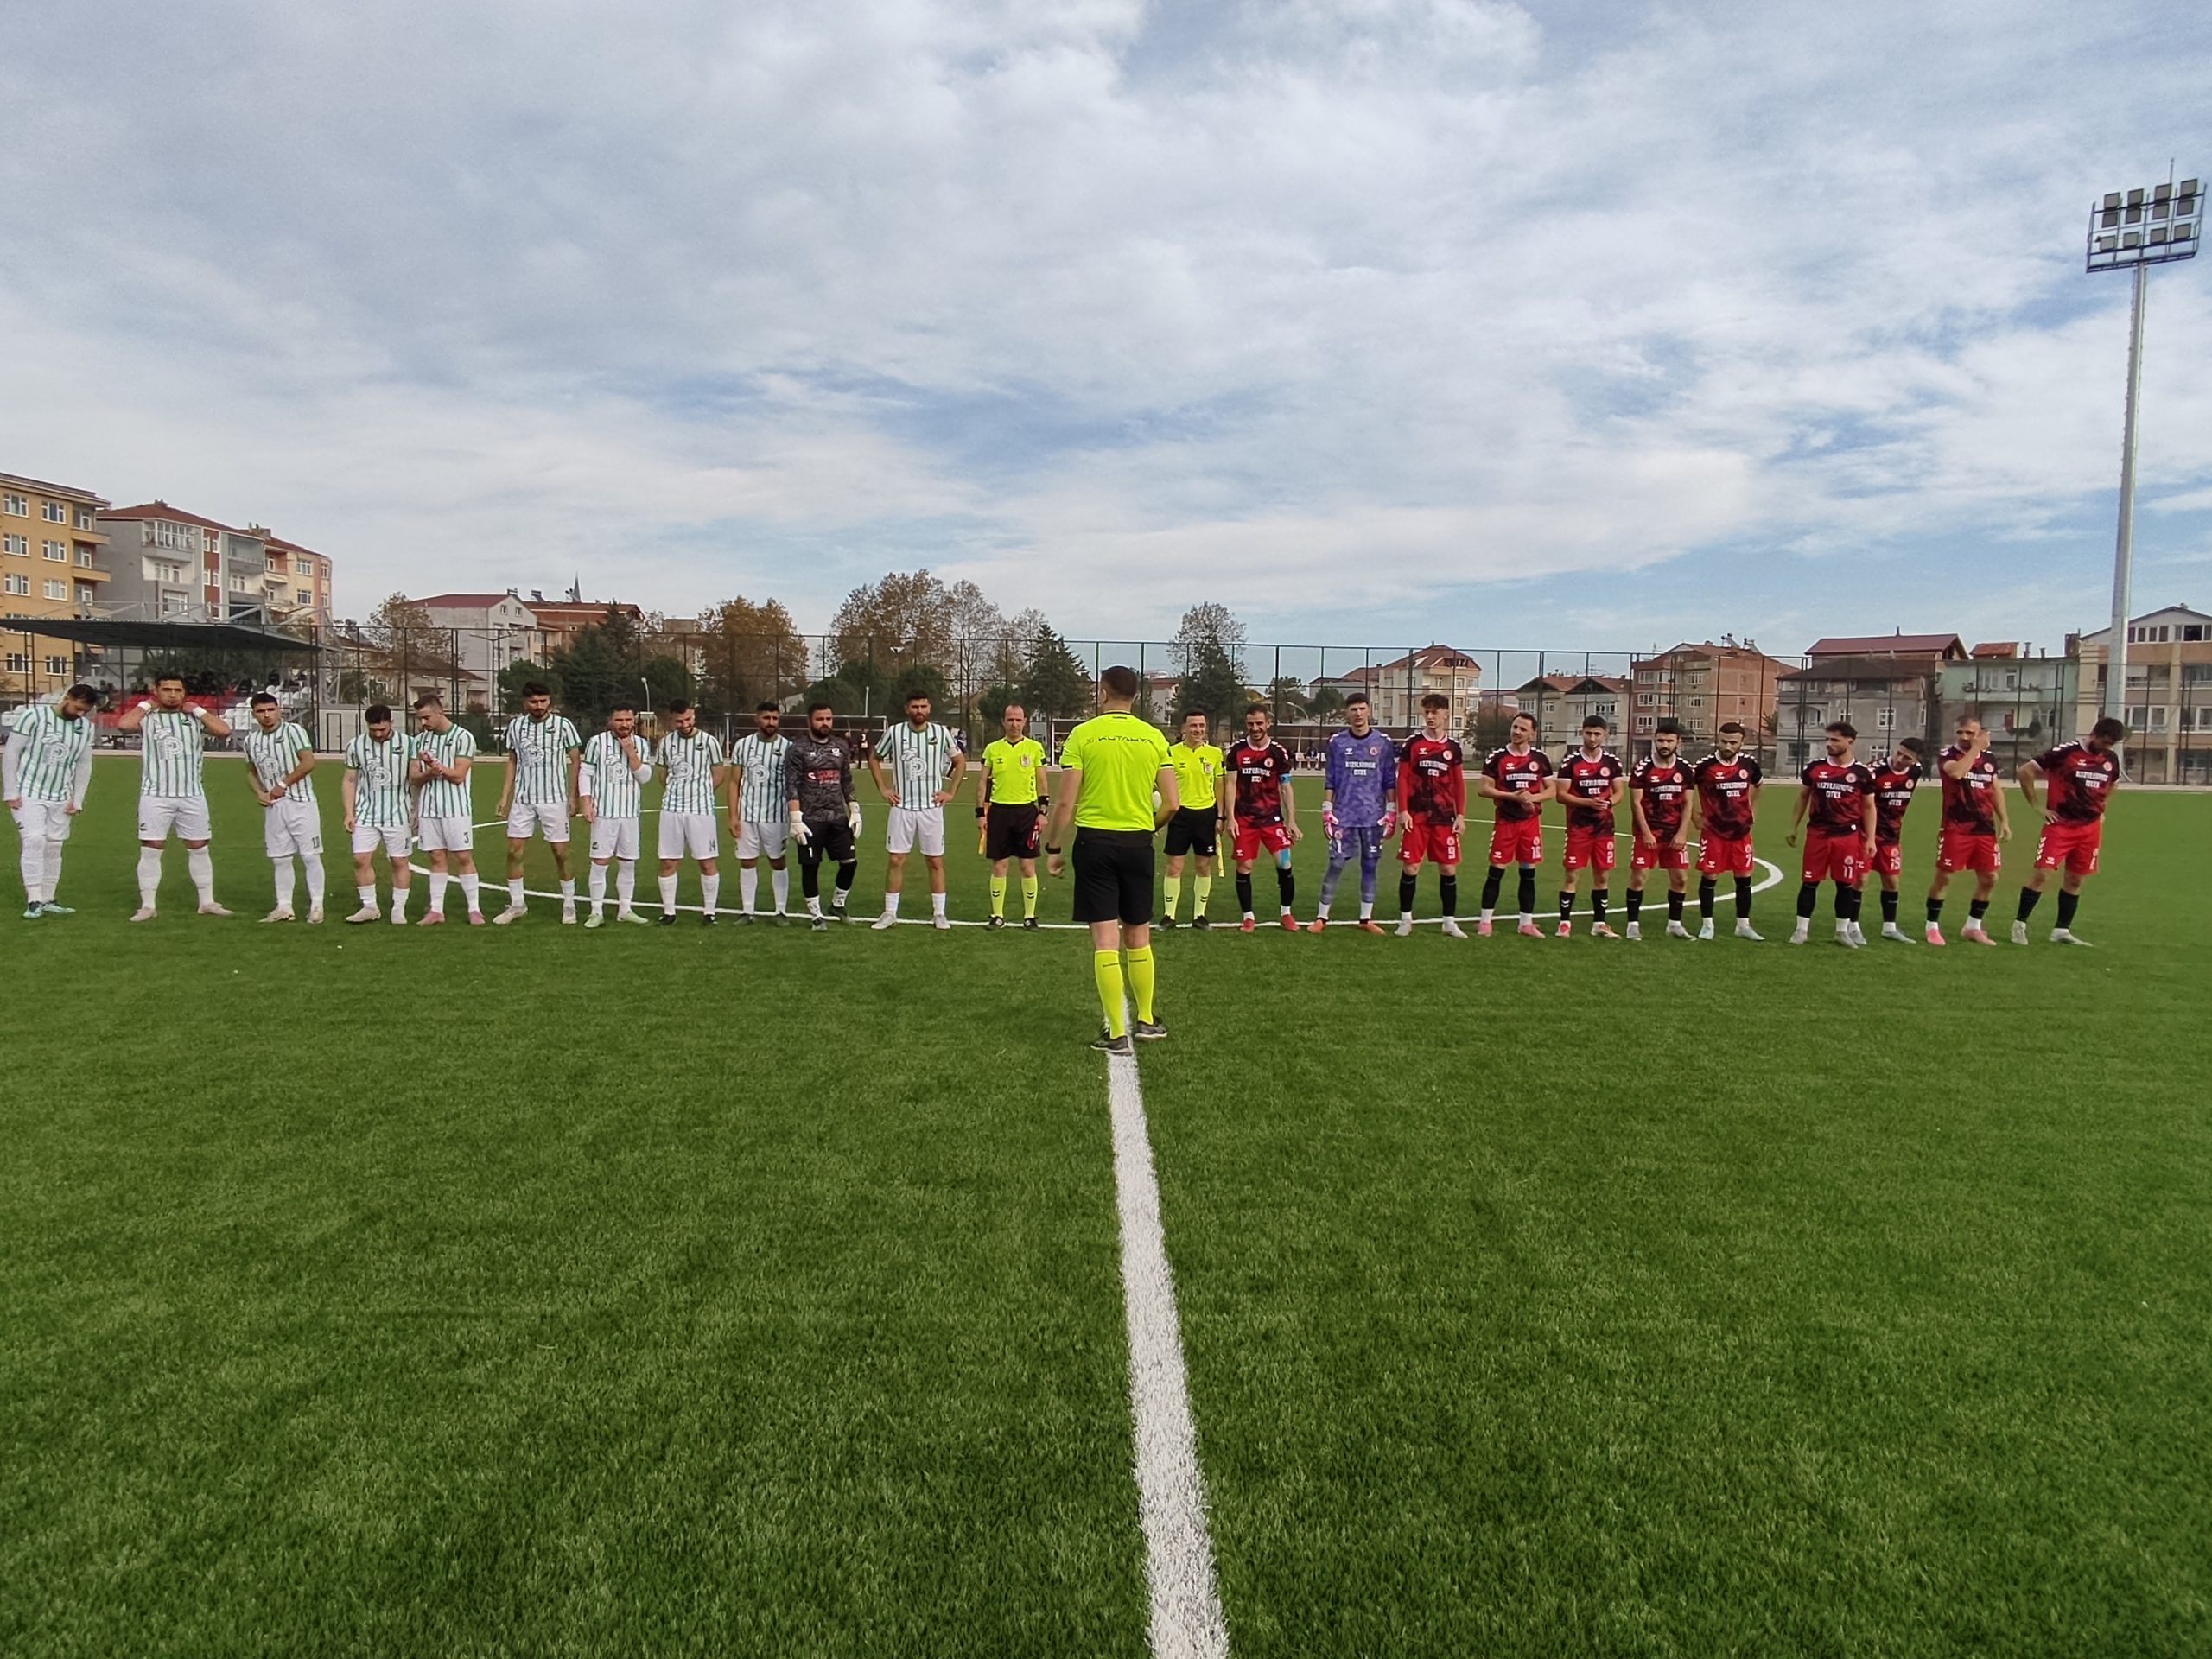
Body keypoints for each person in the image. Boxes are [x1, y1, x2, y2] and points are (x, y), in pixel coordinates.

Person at [1044, 665, 1177, 1052]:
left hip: (1095, 844)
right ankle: (1147, 1020)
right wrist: (1150, 827)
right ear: (1135, 696)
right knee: (1138, 936)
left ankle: (1117, 1033)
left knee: (1105, 941)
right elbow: (1172, 803)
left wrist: (1054, 848)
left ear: (1103, 693)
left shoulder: (1083, 735)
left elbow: (1066, 802)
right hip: (1138, 844)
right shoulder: (1154, 738)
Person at [117, 674, 232, 921]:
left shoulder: (194, 718)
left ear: (184, 693)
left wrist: (198, 710)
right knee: (151, 848)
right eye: (166, 689)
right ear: (156, 691)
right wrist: (145, 705)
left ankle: (207, 902)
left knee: (199, 847)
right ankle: (148, 906)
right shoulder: (148, 717)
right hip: (155, 795)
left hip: (191, 793)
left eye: (177, 690)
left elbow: (224, 731)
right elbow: (124, 725)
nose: (172, 695)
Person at [2012, 716, 2126, 946]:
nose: (2107, 748)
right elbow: (2025, 771)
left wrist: (2101, 808)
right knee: (2042, 874)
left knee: (2075, 880)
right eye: (2105, 742)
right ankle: (2019, 924)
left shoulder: (2110, 758)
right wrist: (2037, 806)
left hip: (2090, 829)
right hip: (2061, 825)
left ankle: (2061, 930)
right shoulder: (2066, 751)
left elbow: (2113, 782)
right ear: (2094, 734)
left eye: (2112, 744)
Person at [870, 690, 964, 930]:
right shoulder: (895, 732)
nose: (919, 711)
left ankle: (939, 913)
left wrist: (950, 792)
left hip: (931, 808)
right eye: (915, 706)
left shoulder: (940, 733)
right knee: (896, 859)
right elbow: (874, 758)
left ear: (929, 708)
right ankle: (889, 913)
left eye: (923, 706)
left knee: (934, 861)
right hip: (901, 807)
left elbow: (959, 761)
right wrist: (883, 789)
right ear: (907, 709)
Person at [3, 682, 98, 918]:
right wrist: (10, 791)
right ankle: (34, 899)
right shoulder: (33, 716)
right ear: (67, 697)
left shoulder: (85, 728)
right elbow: (12, 752)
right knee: (35, 840)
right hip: (29, 791)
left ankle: (49, 898)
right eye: (78, 708)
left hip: (60, 795)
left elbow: (84, 763)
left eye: (85, 711)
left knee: (54, 845)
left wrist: (78, 798)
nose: (80, 714)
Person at [493, 683, 581, 924]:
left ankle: (569, 905)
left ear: (549, 701)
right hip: (523, 800)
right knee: (514, 851)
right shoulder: (516, 726)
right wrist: (505, 796)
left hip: (554, 799)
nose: (539, 706)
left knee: (560, 853)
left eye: (543, 701)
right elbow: (512, 761)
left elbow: (575, 760)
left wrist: (573, 795)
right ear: (525, 703)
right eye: (534, 702)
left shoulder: (563, 726)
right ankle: (517, 904)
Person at [1785, 721, 1877, 947]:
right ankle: (1801, 930)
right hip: (1818, 834)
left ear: (1850, 742)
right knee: (1809, 882)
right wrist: (1793, 826)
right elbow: (1803, 797)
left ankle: (1841, 931)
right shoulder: (1815, 768)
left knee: (1845, 884)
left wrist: (1871, 838)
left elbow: (1868, 807)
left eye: (1835, 740)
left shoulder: (1862, 773)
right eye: (1827, 739)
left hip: (1847, 836)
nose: (1829, 744)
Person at [1311, 692, 1395, 933]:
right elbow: (1331, 779)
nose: (1358, 714)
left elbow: (1389, 779)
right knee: (1336, 864)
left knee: (1370, 865)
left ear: (1369, 711)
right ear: (1347, 713)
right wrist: (1327, 809)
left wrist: (1391, 810)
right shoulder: (1337, 743)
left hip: (1373, 816)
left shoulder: (1383, 743)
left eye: (1362, 709)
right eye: (1353, 709)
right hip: (1344, 816)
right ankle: (1322, 917)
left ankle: (1366, 919)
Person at [1924, 717, 2010, 946]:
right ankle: (1932, 926)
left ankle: (1973, 926)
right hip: (1956, 827)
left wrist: (2004, 820)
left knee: (1990, 878)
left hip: (1984, 828)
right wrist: (1975, 749)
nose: (1964, 737)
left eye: (1970, 733)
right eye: (1960, 732)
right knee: (1945, 876)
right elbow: (1957, 773)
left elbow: (1995, 789)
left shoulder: (1989, 759)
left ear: (1979, 733)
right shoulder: (1948, 755)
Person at [241, 691, 325, 924]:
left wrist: (282, 784)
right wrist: (259, 793)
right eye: (261, 711)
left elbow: (308, 762)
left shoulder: (293, 731)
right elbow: (250, 772)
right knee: (280, 858)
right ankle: (284, 906)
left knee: (310, 855)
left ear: (279, 710)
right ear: (254, 714)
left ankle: (317, 906)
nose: (267, 715)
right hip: (274, 807)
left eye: (271, 709)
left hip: (301, 803)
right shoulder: (250, 741)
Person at [409, 693, 485, 925]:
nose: (423, 722)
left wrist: (436, 767)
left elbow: (459, 775)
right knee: (436, 856)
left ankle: (474, 909)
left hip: (455, 808)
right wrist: (428, 773)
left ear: (440, 712)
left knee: (463, 856)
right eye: (420, 718)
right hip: (429, 808)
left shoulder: (463, 737)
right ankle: (436, 910)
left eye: (426, 717)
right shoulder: (419, 741)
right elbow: (413, 778)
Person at [1224, 704, 1300, 932]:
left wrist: (1291, 820)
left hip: (1272, 819)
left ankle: (1286, 913)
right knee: (1245, 866)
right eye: (1251, 724)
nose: (1255, 728)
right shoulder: (1237, 751)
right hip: (1245, 820)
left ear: (1268, 723)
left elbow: (1286, 787)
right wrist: (1230, 818)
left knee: (1284, 864)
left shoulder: (1278, 752)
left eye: (1259, 723)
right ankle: (1248, 917)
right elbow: (1230, 784)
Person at [1396, 693, 1467, 938]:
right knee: (1411, 868)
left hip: (1444, 818)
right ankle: (1405, 920)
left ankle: (1449, 922)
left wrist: (1461, 815)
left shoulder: (1452, 748)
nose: (1429, 717)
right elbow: (1402, 779)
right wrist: (1403, 811)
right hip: (1416, 817)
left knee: (1448, 869)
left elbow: (1459, 783)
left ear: (1445, 714)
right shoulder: (1413, 744)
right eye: (1426, 712)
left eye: (1434, 712)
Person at [786, 702, 863, 931]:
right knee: (811, 867)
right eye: (820, 719)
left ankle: (838, 905)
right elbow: (791, 785)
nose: (825, 723)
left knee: (849, 863)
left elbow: (846, 780)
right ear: (810, 721)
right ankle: (816, 915)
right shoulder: (798, 749)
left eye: (828, 719)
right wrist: (795, 819)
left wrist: (854, 809)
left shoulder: (840, 746)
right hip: (810, 819)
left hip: (837, 817)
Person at [1476, 713, 1552, 937]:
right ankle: (1485, 921)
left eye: (1522, 729)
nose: (1517, 732)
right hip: (1506, 822)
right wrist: (1512, 797)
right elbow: (1483, 789)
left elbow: (1552, 790)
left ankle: (1526, 923)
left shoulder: (1539, 759)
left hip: (1530, 823)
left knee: (1528, 873)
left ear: (1532, 734)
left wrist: (1532, 798)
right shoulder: (1497, 758)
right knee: (1496, 871)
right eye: (1515, 727)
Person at [578, 703, 654, 926]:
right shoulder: (597, 742)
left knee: (628, 863)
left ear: (634, 721)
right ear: (610, 721)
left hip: (630, 814)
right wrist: (586, 803)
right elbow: (586, 773)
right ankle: (596, 912)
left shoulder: (641, 744)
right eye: (619, 720)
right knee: (600, 861)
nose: (624, 724)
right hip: (604, 813)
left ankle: (625, 909)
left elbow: (645, 778)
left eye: (628, 720)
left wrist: (631, 753)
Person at [655, 699, 727, 925]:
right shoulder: (666, 743)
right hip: (672, 810)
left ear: (693, 715)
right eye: (679, 721)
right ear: (672, 720)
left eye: (687, 719)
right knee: (668, 862)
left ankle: (709, 913)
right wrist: (677, 791)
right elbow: (662, 775)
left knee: (706, 861)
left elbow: (718, 773)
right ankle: (669, 912)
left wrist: (701, 792)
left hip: (701, 810)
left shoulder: (709, 742)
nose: (685, 724)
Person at [341, 703, 415, 925]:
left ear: (391, 722)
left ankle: (398, 909)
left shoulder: (409, 743)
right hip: (366, 812)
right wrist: (349, 812)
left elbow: (415, 779)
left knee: (399, 860)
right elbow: (350, 779)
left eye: (382, 729)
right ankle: (369, 907)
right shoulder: (355, 745)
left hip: (398, 812)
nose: (378, 734)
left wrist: (416, 810)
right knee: (360, 859)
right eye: (373, 730)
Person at [977, 702, 1049, 930]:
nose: (1014, 724)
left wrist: (1043, 811)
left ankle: (1030, 916)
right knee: (1000, 865)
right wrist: (980, 814)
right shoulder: (992, 749)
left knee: (1027, 866)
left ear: (1025, 722)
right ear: (1003, 722)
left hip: (1026, 813)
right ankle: (997, 915)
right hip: (999, 812)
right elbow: (982, 783)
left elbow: (1042, 781)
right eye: (1010, 720)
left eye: (1018, 720)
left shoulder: (1035, 748)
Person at [1691, 721, 1764, 941]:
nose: (1727, 746)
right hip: (1714, 831)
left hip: (1741, 831)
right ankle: (1707, 925)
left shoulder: (1749, 765)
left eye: (1733, 742)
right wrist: (1695, 816)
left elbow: (1758, 785)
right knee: (1710, 877)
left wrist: (1752, 810)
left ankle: (1743, 925)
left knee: (1743, 878)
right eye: (1723, 741)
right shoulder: (1705, 766)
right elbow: (1686, 789)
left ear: (1742, 742)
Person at [1625, 717, 1694, 941]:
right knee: (1639, 878)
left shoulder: (1685, 769)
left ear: (1678, 742)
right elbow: (1636, 803)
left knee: (1680, 879)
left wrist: (1682, 833)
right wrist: (1645, 832)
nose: (1665, 745)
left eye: (1669, 741)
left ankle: (1675, 924)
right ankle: (1632, 925)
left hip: (1674, 833)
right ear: (1655, 740)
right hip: (1648, 832)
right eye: (1661, 740)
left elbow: (1688, 803)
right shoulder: (1642, 768)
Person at [728, 701, 792, 923]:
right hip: (747, 816)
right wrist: (733, 816)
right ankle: (748, 911)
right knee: (747, 862)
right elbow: (734, 782)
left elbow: (793, 784)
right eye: (766, 718)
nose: (771, 722)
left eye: (775, 718)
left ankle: (781, 911)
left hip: (776, 816)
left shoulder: (788, 747)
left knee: (778, 862)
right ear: (757, 719)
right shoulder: (743, 745)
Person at [1159, 709, 1222, 929]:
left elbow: (1220, 786)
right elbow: (1160, 784)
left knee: (1203, 867)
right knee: (1174, 867)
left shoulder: (1215, 754)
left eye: (1201, 726)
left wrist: (1221, 816)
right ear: (1184, 728)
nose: (1198, 730)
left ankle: (1199, 915)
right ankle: (1169, 916)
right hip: (1180, 815)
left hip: (1206, 815)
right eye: (1193, 725)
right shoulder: (1171, 752)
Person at [1867, 736, 1926, 943]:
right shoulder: (1873, 771)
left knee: (1892, 881)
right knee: (1859, 880)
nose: (1899, 759)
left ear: (1916, 760)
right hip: (1867, 835)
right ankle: (1851, 926)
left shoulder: (1916, 771)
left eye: (1907, 757)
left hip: (1891, 836)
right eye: (1899, 753)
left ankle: (1889, 928)